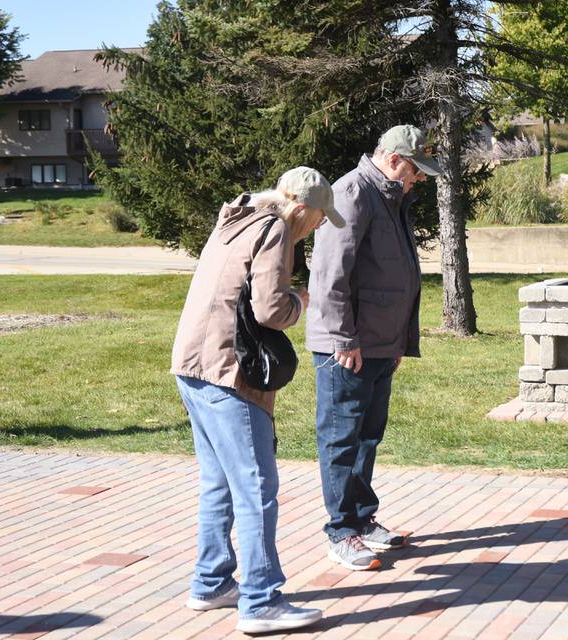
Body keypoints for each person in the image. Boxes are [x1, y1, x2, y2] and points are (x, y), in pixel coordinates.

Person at [171, 167, 344, 634]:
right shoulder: (275, 230)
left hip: (192, 365)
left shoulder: (237, 219)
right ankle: (261, 601)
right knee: (256, 491)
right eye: (319, 218)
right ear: (301, 209)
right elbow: (270, 309)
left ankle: (211, 583)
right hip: (229, 373)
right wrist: (301, 301)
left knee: (219, 484)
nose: (318, 227)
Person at [305, 125, 441, 571]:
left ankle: (363, 522)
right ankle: (341, 531)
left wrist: (398, 340)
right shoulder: (353, 191)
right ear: (396, 159)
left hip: (380, 344)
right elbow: (329, 274)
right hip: (347, 346)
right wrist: (345, 338)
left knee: (367, 435)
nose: (418, 178)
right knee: (341, 438)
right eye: (416, 170)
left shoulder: (390, 195)